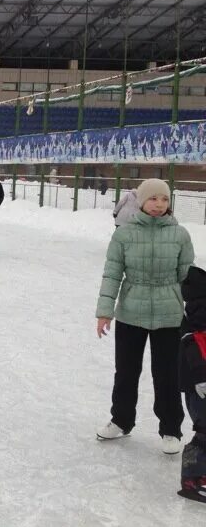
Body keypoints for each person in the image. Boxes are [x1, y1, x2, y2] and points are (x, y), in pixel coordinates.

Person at [95, 178, 194, 455]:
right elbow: (112, 273)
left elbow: (188, 277)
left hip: (169, 314)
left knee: (168, 375)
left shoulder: (180, 235)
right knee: (126, 371)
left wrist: (198, 311)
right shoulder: (124, 234)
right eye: (153, 199)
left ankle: (171, 429)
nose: (159, 204)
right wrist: (105, 311)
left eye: (164, 199)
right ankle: (121, 420)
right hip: (131, 311)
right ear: (141, 201)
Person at [178, 265, 206, 502]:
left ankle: (201, 473)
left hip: (197, 382)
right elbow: (194, 346)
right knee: (204, 431)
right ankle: (191, 478)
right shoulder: (198, 313)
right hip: (198, 384)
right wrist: (200, 378)